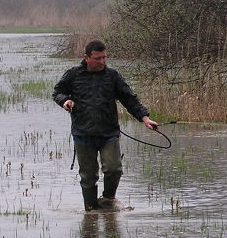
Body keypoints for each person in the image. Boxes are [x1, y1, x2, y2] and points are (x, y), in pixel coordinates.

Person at [52, 40, 159, 211]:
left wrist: (145, 118)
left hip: (109, 132)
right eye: (97, 58)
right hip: (83, 133)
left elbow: (129, 98)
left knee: (113, 169)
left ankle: (108, 200)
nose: (102, 62)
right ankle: (90, 211)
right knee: (88, 177)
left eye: (104, 58)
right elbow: (57, 92)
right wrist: (65, 101)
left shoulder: (113, 76)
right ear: (86, 58)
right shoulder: (73, 75)